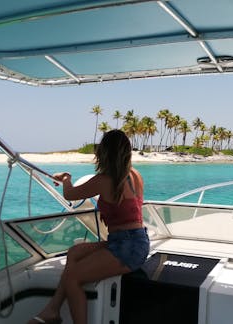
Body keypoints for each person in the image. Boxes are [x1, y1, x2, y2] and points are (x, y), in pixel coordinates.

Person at [29, 129, 150, 324]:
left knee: (73, 278)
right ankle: (53, 309)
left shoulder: (105, 180)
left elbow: (70, 195)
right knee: (75, 252)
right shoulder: (135, 175)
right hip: (136, 241)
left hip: (126, 247)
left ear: (104, 153)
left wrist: (66, 179)